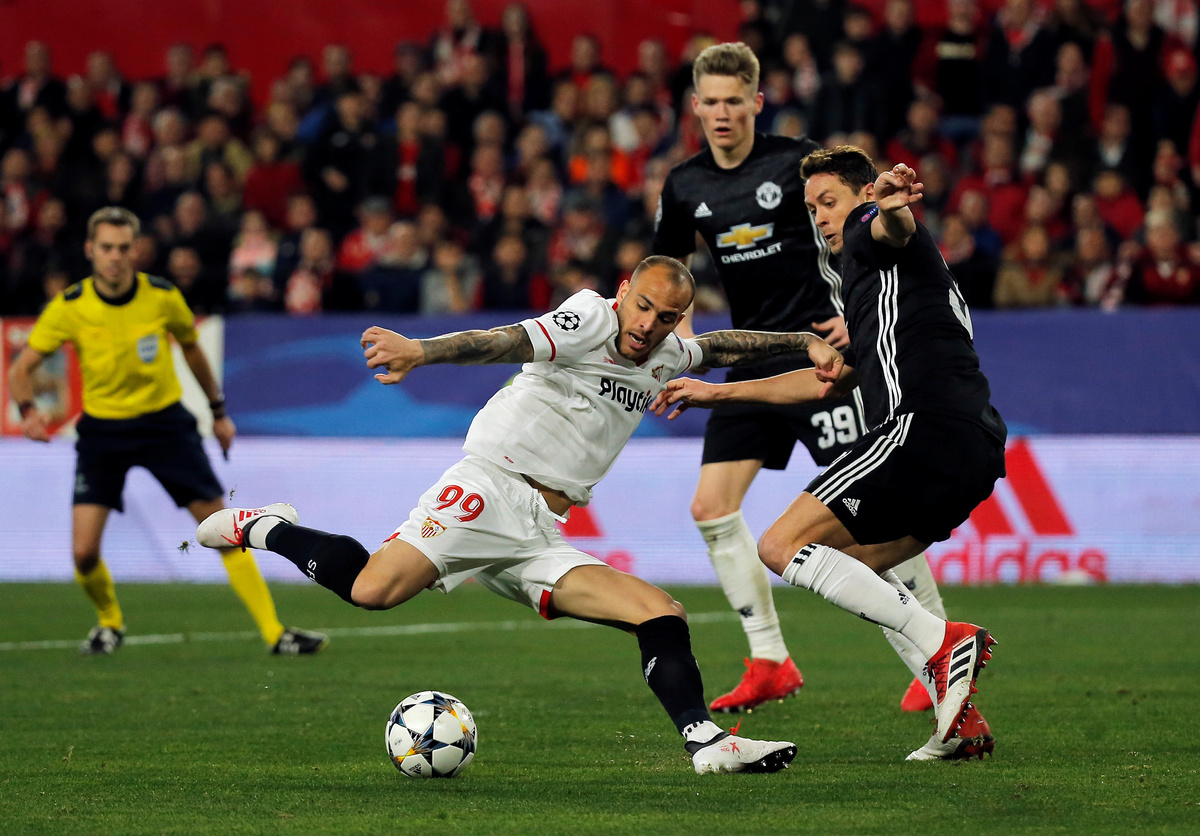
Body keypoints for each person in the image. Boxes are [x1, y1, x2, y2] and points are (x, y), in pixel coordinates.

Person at [196, 255, 826, 774]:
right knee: (372, 590)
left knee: (661, 613)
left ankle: (705, 743)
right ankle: (266, 527)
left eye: (666, 318)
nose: (648, 325)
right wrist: (420, 351)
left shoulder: (665, 355)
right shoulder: (588, 317)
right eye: (642, 307)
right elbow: (503, 341)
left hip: (539, 533)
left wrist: (804, 341)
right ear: (622, 291)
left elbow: (723, 345)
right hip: (490, 487)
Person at [655, 150, 1005, 761]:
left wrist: (888, 206)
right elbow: (831, 382)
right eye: (811, 207)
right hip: (976, 444)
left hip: (922, 427)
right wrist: (719, 393)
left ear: (861, 196)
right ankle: (961, 719)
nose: (819, 217)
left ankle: (942, 640)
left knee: (778, 545)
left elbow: (890, 225)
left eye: (829, 202)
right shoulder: (886, 287)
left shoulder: (873, 236)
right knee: (857, 568)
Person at [651, 40, 953, 714]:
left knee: (871, 514)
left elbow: (861, 222)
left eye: (735, 101)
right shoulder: (685, 185)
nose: (723, 113)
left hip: (823, 358)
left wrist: (859, 307)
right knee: (711, 506)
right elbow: (669, 276)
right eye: (712, 102)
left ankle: (933, 652)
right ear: (694, 106)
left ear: (757, 102)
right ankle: (769, 660)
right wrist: (681, 342)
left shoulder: (797, 163)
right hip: (751, 358)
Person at [8, 206, 328, 657]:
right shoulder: (69, 306)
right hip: (103, 432)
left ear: (135, 250)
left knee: (223, 529)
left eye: (123, 248)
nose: (115, 257)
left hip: (165, 427)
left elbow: (193, 351)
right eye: (107, 248)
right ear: (90, 250)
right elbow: (20, 369)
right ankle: (109, 623)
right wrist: (29, 412)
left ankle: (276, 633)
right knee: (83, 553)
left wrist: (218, 412)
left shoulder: (161, 296)